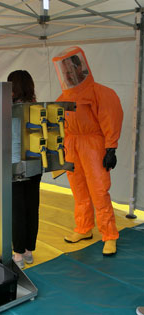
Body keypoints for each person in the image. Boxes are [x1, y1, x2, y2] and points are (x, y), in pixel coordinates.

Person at [53, 46, 123, 256]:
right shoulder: (62, 98)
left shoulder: (100, 93)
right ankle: (84, 228)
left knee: (99, 192)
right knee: (79, 190)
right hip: (72, 146)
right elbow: (59, 124)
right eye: (64, 70)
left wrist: (111, 147)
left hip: (93, 146)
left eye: (69, 69)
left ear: (79, 66)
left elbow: (111, 117)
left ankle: (109, 235)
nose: (67, 74)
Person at [0, 70, 42, 269]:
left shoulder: (7, 110)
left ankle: (18, 254)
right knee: (31, 208)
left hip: (13, 168)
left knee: (17, 211)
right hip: (35, 166)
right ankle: (28, 251)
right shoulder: (37, 108)